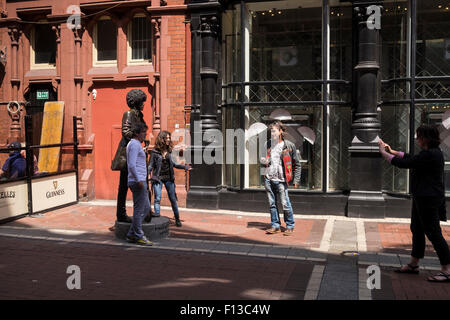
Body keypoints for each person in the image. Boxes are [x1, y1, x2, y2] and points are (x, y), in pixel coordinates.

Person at [379, 124, 450, 283]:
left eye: (418, 136)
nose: (417, 139)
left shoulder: (432, 154)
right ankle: (413, 264)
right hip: (422, 196)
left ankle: (447, 269)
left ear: (425, 138)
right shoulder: (429, 153)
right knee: (417, 229)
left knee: (433, 233)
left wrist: (384, 154)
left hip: (428, 198)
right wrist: (393, 151)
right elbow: (412, 158)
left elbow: (406, 163)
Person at [111, 89, 149, 223]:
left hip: (137, 153)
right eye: (142, 101)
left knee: (143, 181)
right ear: (136, 102)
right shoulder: (128, 114)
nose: (144, 104)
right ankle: (121, 214)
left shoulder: (140, 115)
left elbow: (143, 129)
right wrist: (138, 137)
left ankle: (146, 211)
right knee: (124, 186)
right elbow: (126, 132)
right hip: (127, 155)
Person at [261, 121, 301, 236]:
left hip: (282, 180)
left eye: (274, 131)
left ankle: (290, 226)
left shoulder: (288, 145)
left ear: (280, 131)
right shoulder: (267, 144)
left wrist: (296, 180)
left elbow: (297, 164)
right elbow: (264, 162)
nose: (272, 133)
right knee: (272, 203)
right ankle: (275, 225)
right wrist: (263, 166)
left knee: (285, 203)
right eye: (271, 131)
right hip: (269, 178)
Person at [148, 131, 191, 227]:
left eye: (169, 138)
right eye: (166, 138)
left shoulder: (171, 151)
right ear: (161, 139)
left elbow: (174, 164)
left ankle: (177, 219)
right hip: (157, 177)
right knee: (157, 199)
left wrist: (185, 167)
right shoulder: (155, 152)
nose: (168, 140)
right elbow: (150, 165)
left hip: (169, 178)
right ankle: (158, 220)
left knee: (172, 199)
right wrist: (146, 174)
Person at [125, 122, 152, 246]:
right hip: (138, 181)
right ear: (137, 133)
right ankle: (138, 235)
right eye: (143, 132)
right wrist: (138, 180)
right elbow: (131, 164)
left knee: (146, 208)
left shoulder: (134, 144)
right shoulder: (135, 144)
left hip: (139, 180)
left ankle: (132, 233)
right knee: (139, 210)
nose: (145, 135)